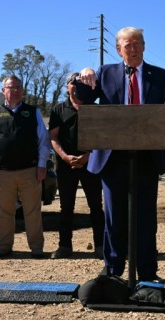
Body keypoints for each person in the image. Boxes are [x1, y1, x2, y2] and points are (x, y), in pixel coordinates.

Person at [78, 26, 165, 281]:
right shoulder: (105, 73)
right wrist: (81, 74)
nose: (133, 48)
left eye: (137, 44)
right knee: (114, 216)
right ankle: (113, 270)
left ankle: (147, 272)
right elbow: (83, 97)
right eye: (127, 45)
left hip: (146, 156)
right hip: (112, 158)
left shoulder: (158, 74)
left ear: (144, 47)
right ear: (118, 49)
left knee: (145, 217)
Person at [0, 75, 51, 259]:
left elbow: (43, 141)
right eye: (11, 87)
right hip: (3, 172)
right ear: (4, 90)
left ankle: (36, 248)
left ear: (22, 90)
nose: (15, 90)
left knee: (33, 211)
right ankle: (4, 246)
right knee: (4, 211)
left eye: (18, 87)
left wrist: (42, 164)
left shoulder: (32, 112)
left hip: (30, 171)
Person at [48, 72, 105, 259]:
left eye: (79, 83)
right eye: (72, 83)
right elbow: (53, 137)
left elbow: (102, 137)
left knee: (96, 207)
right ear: (67, 87)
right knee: (66, 208)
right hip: (66, 166)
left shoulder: (94, 109)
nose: (75, 86)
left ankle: (100, 246)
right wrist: (65, 157)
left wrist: (88, 156)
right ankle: (64, 246)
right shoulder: (59, 109)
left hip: (92, 164)